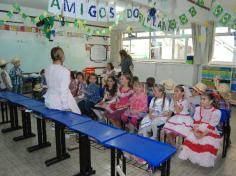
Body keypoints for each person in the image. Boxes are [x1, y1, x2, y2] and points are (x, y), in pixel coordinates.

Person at [179, 93, 222, 167]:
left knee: (207, 142)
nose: (201, 101)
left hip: (208, 130)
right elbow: (196, 121)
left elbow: (211, 126)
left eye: (204, 99)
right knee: (191, 138)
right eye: (201, 99)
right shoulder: (198, 109)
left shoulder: (216, 112)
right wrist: (195, 131)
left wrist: (202, 135)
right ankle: (192, 157)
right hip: (199, 127)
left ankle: (203, 160)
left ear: (211, 101)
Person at [44, 46, 81, 114]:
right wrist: (66, 107)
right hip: (59, 104)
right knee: (77, 114)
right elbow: (64, 90)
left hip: (49, 101)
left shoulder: (47, 68)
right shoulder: (65, 71)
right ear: (62, 56)